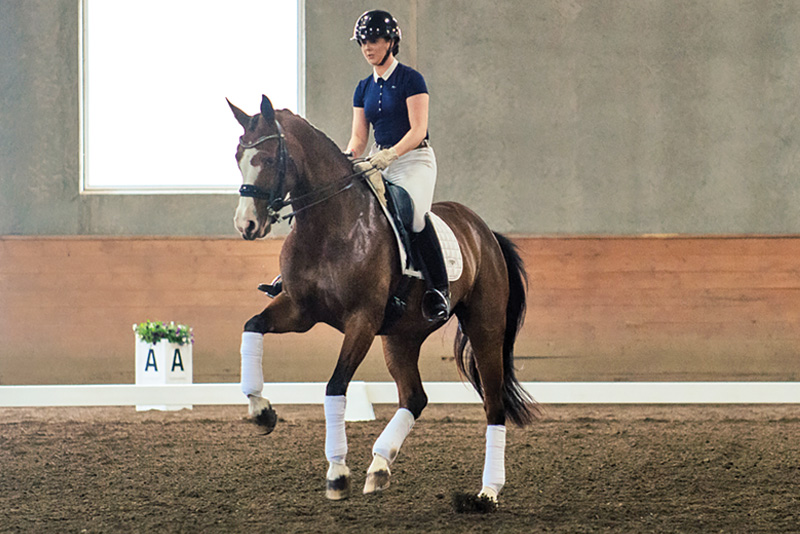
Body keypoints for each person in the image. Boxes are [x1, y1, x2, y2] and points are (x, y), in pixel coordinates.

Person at [345, 9, 450, 323]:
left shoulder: (410, 79)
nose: (368, 47)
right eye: (363, 41)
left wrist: (390, 155)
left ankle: (437, 290)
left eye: (374, 40)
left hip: (414, 159)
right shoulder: (363, 88)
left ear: (391, 42)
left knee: (411, 212)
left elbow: (418, 129)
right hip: (377, 161)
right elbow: (358, 138)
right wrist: (347, 158)